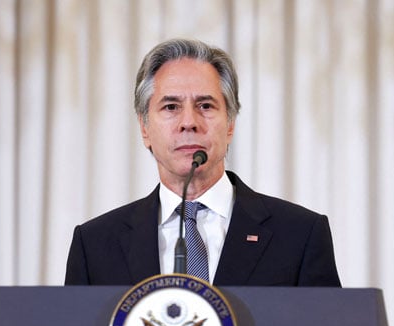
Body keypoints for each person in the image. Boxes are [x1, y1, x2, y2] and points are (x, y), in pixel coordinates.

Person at [65, 38, 341, 287]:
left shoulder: (299, 235)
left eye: (205, 106)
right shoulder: (95, 245)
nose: (189, 123)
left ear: (230, 123)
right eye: (171, 107)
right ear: (144, 127)